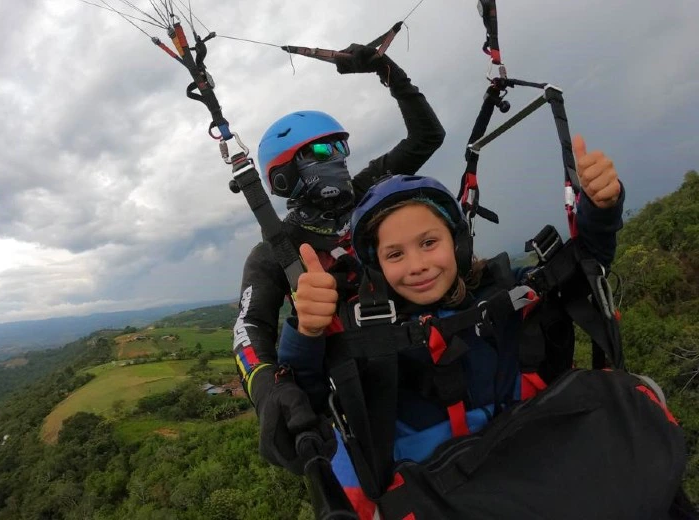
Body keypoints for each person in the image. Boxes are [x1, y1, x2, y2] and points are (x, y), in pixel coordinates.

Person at [279, 137, 687, 518]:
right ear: (378, 266)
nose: (417, 265)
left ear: (456, 242)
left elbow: (584, 267)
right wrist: (307, 331)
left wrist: (599, 208)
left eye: (428, 243)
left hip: (539, 461)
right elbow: (308, 394)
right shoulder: (363, 331)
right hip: (446, 493)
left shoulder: (502, 293)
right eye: (395, 253)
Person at [232, 44, 447, 474]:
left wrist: (388, 71)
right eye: (321, 154)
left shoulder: (370, 190)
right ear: (283, 176)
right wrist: (267, 388)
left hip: (430, 362)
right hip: (358, 394)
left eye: (341, 148)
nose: (339, 161)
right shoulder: (275, 250)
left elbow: (427, 137)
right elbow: (250, 326)